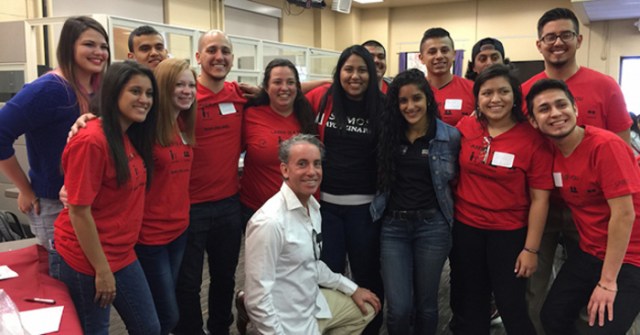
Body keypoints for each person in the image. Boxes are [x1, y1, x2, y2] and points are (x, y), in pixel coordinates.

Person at [521, 9, 633, 333]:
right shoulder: (527, 91)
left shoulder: (605, 85)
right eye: (550, 37)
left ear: (579, 39)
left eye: (565, 35)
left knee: (591, 290)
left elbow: (623, 151)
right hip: (542, 204)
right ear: (539, 44)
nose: (558, 42)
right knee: (536, 288)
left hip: (594, 212)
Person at [55, 61, 159, 334]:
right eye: (135, 91)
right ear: (113, 93)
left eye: (149, 93)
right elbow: (79, 211)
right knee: (95, 330)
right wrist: (101, 271)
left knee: (149, 327)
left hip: (121, 252)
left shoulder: (127, 134)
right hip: (87, 259)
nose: (144, 99)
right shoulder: (91, 140)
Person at [0, 16, 109, 278]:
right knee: (63, 281)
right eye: (89, 44)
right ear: (69, 47)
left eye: (103, 46)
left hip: (90, 200)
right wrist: (25, 190)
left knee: (89, 279)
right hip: (54, 205)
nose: (98, 52)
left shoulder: (99, 88)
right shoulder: (50, 88)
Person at [449, 64, 552, 335]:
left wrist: (531, 250)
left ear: (515, 97)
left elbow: (540, 199)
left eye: (503, 91)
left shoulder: (533, 139)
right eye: (487, 93)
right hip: (466, 229)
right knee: (471, 301)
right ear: (477, 98)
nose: (495, 99)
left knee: (510, 304)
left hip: (508, 234)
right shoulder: (467, 126)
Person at [244, 134, 381, 334]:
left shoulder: (314, 209)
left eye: (317, 164)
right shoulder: (269, 222)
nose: (312, 172)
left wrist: (352, 288)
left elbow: (312, 265)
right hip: (285, 323)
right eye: (302, 164)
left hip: (312, 305)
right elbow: (257, 298)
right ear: (285, 170)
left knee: (367, 308)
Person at [372, 68, 460, 335]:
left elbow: (456, 182)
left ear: (428, 99)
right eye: (403, 101)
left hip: (432, 227)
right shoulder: (388, 134)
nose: (410, 106)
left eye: (416, 99)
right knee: (398, 308)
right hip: (393, 228)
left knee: (427, 305)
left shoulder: (449, 137)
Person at [305, 44, 385, 335]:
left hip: (365, 209)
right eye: (348, 69)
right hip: (326, 207)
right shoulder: (324, 98)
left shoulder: (383, 107)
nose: (355, 76)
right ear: (338, 72)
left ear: (372, 73)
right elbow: (287, 91)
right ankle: (336, 327)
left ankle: (370, 328)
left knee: (367, 275)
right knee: (329, 274)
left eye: (362, 70)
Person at [173, 29, 246, 335]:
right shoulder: (183, 96)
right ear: (199, 57)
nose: (220, 57)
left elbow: (289, 88)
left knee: (225, 278)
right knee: (187, 283)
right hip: (189, 209)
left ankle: (220, 329)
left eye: (226, 51)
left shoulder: (240, 96)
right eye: (212, 50)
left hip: (229, 205)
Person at [134, 58, 196, 335]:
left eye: (191, 85)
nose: (187, 91)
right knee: (166, 314)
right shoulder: (143, 128)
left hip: (179, 231)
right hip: (150, 236)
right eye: (179, 85)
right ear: (163, 87)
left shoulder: (182, 125)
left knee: (163, 307)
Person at [240, 58, 317, 224]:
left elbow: (331, 87)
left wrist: (329, 80)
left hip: (301, 210)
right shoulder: (250, 114)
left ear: (298, 87)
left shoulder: (308, 115)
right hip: (257, 211)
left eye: (290, 82)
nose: (284, 88)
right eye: (277, 82)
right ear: (266, 88)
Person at [419, 27, 475, 126]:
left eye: (444, 50)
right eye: (432, 52)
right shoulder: (414, 90)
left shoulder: (473, 89)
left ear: (454, 54)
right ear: (421, 58)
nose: (439, 56)